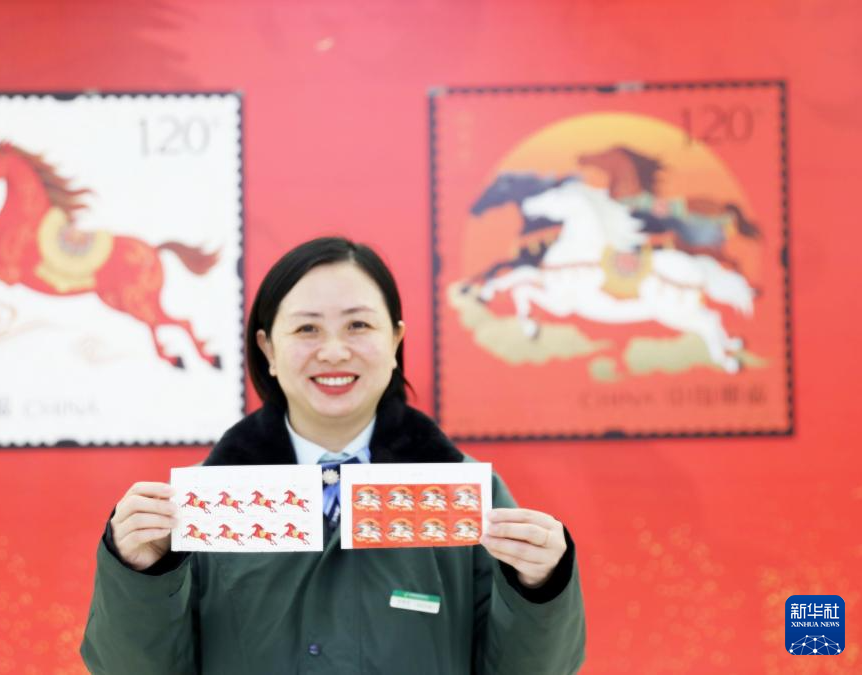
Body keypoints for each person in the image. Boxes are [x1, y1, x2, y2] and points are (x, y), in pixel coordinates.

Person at [81, 237, 586, 674]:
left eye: (358, 325)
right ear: (268, 349)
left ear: (395, 341)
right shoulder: (200, 505)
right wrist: (141, 574)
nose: (334, 352)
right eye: (307, 329)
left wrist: (539, 587)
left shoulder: (466, 494)